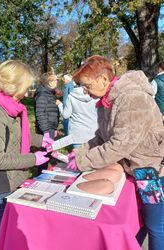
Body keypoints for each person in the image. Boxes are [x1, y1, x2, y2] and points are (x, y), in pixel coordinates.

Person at [67, 55, 164, 250]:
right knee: (138, 220)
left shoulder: (132, 99)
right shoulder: (107, 100)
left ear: (104, 79)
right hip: (133, 167)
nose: (85, 92)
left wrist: (83, 161)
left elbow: (119, 144)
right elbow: (101, 137)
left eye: (87, 85)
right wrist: (80, 152)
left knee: (155, 224)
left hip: (150, 171)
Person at [0, 60, 51, 236]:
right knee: (6, 223)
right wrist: (33, 159)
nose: (26, 93)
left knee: (11, 222)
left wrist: (41, 140)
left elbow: (17, 135)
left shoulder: (7, 105)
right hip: (1, 180)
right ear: (13, 86)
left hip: (10, 175)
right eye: (24, 87)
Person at [56, 84, 98, 148]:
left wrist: (60, 105)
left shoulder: (71, 96)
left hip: (77, 134)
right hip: (93, 133)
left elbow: (66, 115)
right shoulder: (96, 96)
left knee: (78, 157)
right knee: (91, 157)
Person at [34, 72, 59, 139]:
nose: (57, 81)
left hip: (51, 127)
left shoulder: (50, 93)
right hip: (46, 128)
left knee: (50, 147)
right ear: (50, 82)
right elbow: (40, 113)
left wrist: (54, 128)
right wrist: (45, 131)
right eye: (55, 80)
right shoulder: (42, 94)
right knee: (46, 148)